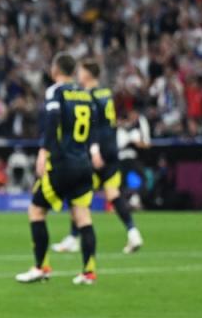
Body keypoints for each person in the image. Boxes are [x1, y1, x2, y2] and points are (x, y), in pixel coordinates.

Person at [16, 53, 100, 286]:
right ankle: (88, 272)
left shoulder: (56, 91)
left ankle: (41, 267)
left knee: (36, 211)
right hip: (83, 164)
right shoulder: (85, 94)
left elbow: (52, 121)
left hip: (62, 164)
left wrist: (43, 151)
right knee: (83, 216)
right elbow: (93, 127)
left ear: (55, 69)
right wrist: (92, 152)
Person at [52, 59, 143, 254]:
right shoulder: (106, 92)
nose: (78, 74)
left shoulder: (88, 95)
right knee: (113, 194)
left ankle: (73, 238)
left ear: (87, 74)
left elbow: (92, 125)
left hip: (96, 151)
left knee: (77, 194)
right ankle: (133, 232)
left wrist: (93, 151)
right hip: (111, 147)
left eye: (81, 71)